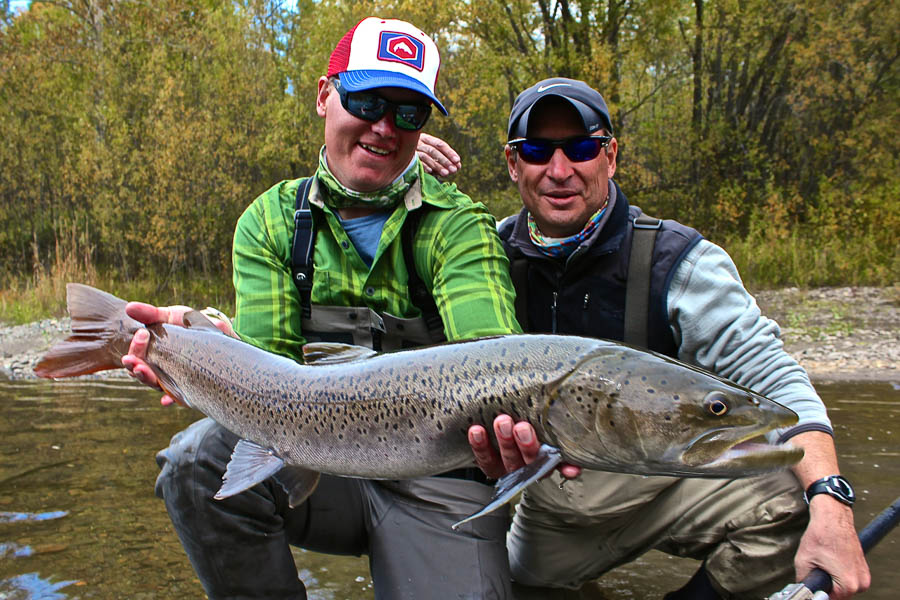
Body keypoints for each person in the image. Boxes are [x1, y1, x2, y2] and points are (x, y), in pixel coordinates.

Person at [421, 78, 870, 599]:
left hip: (665, 478)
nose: (560, 170)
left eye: (582, 148)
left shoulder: (679, 262)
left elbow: (774, 380)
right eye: (538, 151)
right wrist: (403, 166)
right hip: (551, 494)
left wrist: (831, 499)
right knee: (510, 588)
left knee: (794, 493)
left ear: (610, 157)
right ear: (513, 164)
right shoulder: (482, 257)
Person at [121, 17, 521, 600]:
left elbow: (495, 363)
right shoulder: (271, 222)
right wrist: (204, 351)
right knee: (193, 461)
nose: (384, 127)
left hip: (438, 476)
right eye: (367, 101)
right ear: (323, 96)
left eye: (409, 113)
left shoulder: (459, 226)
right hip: (316, 460)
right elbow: (264, 380)